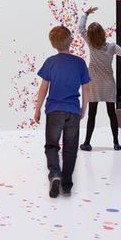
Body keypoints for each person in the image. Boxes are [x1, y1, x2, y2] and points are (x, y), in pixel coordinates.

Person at [34, 25, 90, 198]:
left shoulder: (50, 62)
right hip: (73, 111)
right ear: (71, 40)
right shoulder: (79, 62)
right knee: (70, 149)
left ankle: (55, 174)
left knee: (51, 145)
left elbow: (43, 88)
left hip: (54, 110)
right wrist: (83, 109)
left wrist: (37, 109)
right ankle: (66, 185)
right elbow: (86, 89)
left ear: (53, 44)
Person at [77, 7, 121, 152]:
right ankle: (116, 143)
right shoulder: (112, 47)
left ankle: (87, 143)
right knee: (111, 113)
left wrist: (86, 14)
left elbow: (80, 28)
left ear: (91, 35)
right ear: (102, 33)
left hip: (94, 83)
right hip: (108, 83)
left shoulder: (91, 44)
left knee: (92, 114)